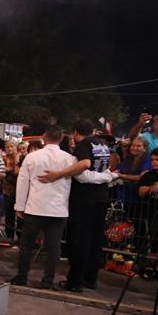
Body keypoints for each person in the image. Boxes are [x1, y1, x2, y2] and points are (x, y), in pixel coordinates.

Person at [38, 119, 119, 292]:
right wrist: (107, 177)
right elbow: (106, 170)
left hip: (84, 200)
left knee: (79, 240)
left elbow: (83, 170)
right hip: (102, 199)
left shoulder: (83, 145)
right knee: (96, 240)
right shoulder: (102, 145)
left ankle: (75, 282)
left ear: (75, 132)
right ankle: (90, 278)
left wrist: (58, 174)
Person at [9, 126, 75, 289]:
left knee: (27, 244)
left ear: (44, 137)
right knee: (54, 247)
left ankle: (22, 276)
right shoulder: (70, 159)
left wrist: (20, 206)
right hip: (58, 209)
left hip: (35, 207)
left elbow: (23, 182)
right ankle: (47, 280)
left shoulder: (32, 157)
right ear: (61, 139)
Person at [2, 141, 21, 244]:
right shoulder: (4, 159)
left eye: (11, 146)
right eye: (7, 147)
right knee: (9, 214)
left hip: (20, 190)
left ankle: (20, 237)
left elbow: (17, 172)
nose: (9, 148)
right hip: (8, 190)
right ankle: (9, 236)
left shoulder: (20, 157)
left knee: (20, 214)